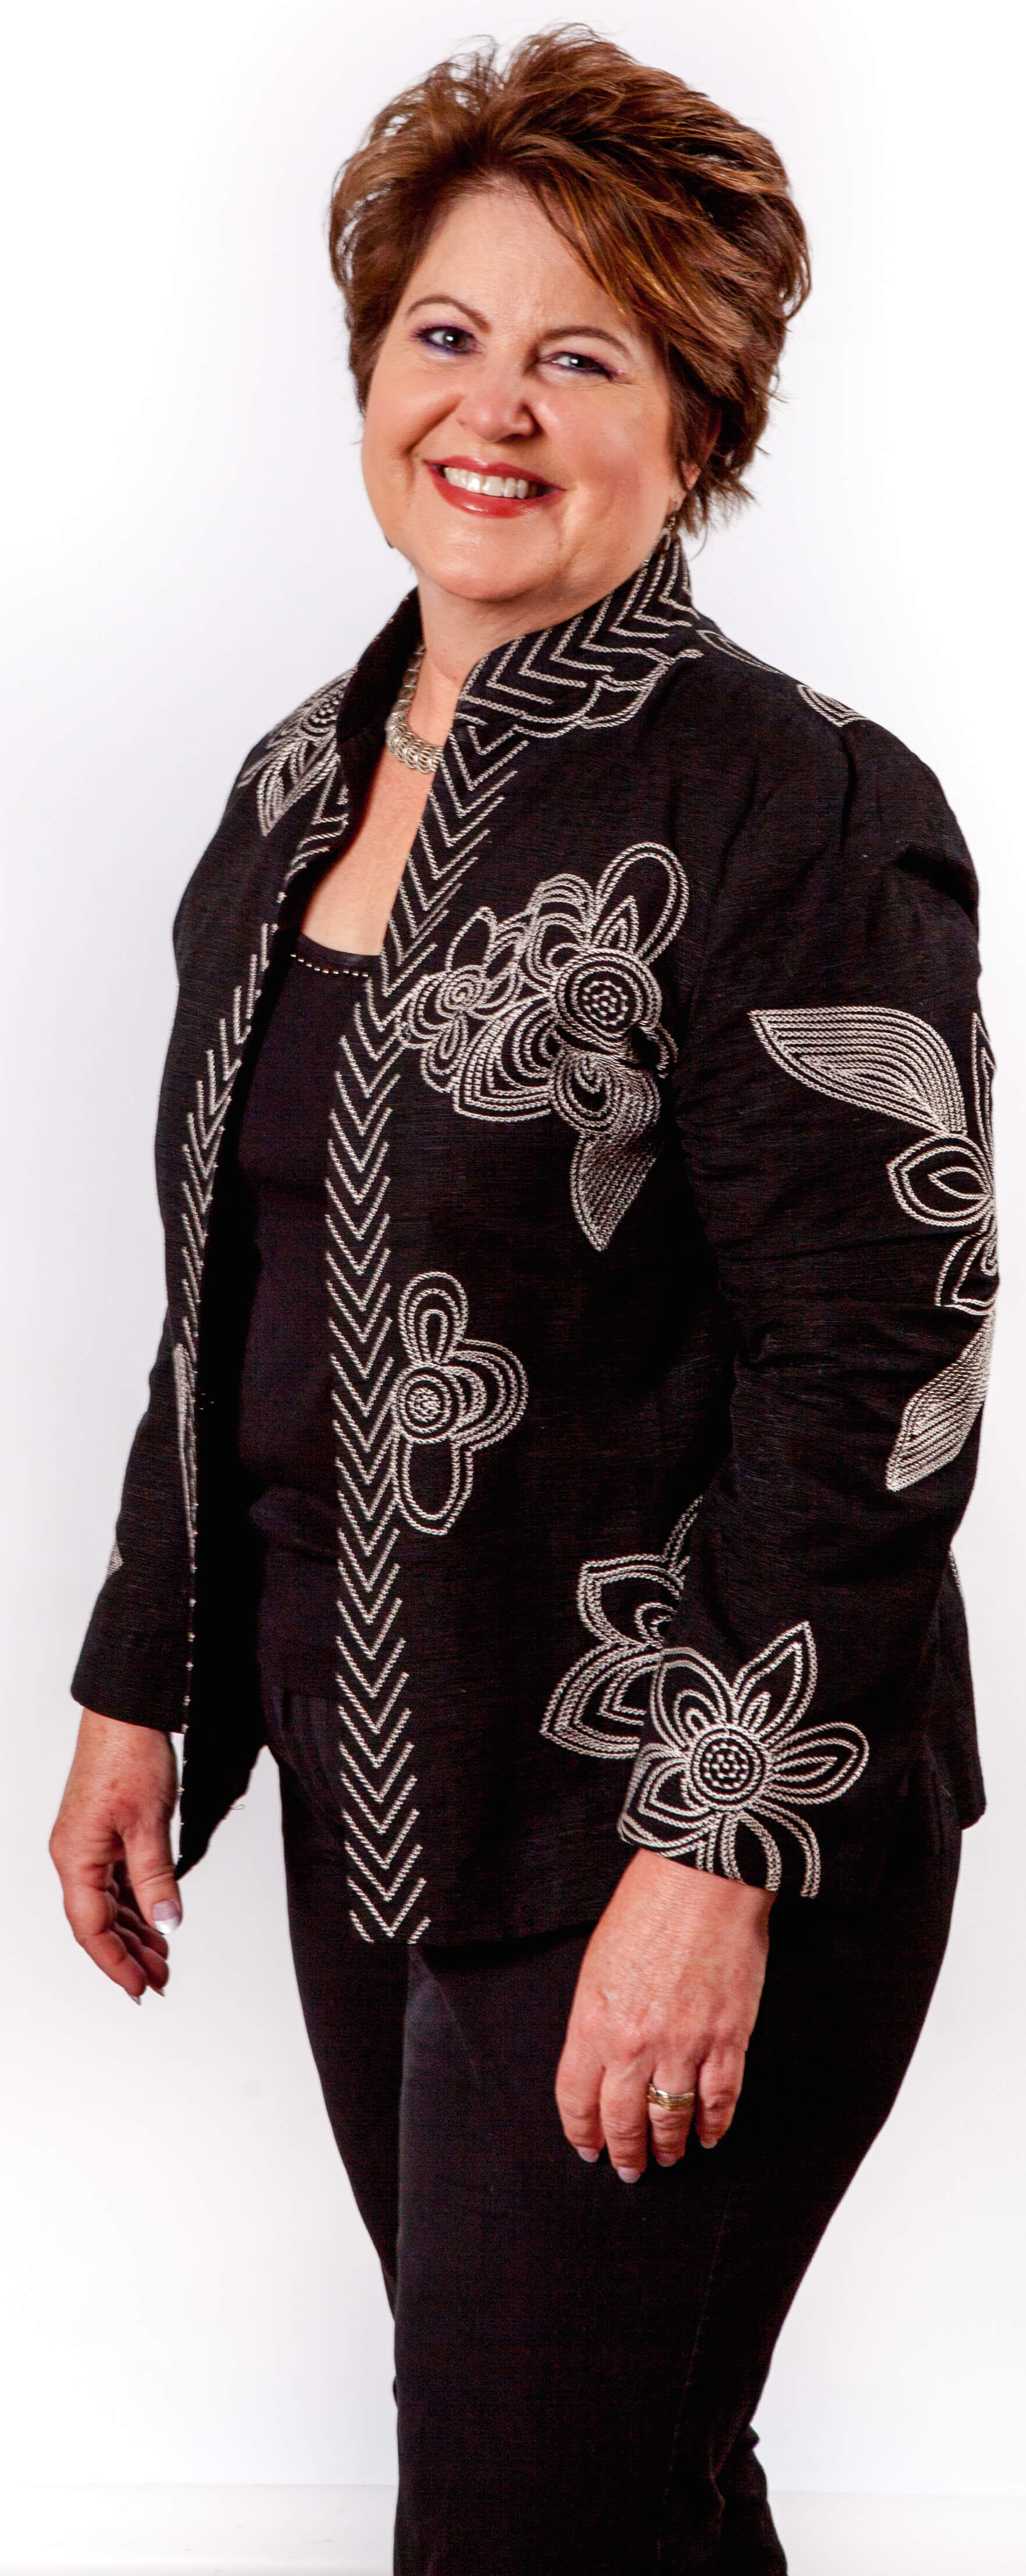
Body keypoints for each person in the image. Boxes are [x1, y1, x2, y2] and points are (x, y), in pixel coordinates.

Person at [50, 29, 993, 2574]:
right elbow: (223, 1289)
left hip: (674, 1814)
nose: (493, 404)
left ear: (697, 424)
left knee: (524, 2519)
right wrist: (147, 1677)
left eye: (585, 354)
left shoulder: (790, 798)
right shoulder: (289, 791)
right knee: (617, 2501)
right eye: (446, 332)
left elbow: (878, 1365)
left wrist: (715, 1851)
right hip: (384, 1801)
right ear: (369, 362)